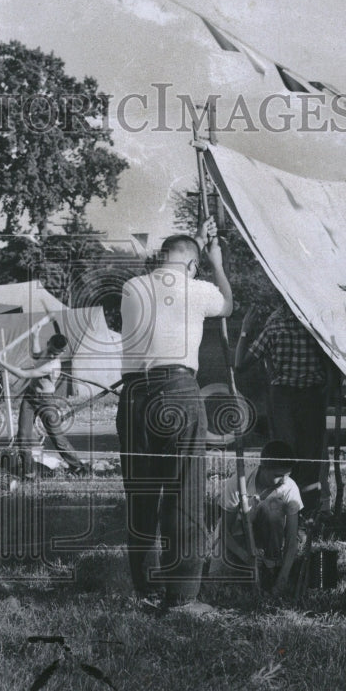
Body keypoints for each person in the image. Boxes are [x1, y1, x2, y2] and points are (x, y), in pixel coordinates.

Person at [117, 217, 233, 615]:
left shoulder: (132, 287)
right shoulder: (199, 288)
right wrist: (215, 261)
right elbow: (227, 305)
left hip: (133, 394)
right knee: (185, 493)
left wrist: (195, 248)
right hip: (177, 389)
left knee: (142, 495)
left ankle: (145, 591)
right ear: (194, 265)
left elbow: (169, 272)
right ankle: (182, 596)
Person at [235, 296, 334, 513]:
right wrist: (327, 384)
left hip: (283, 399)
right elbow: (329, 359)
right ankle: (310, 511)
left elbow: (240, 364)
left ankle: (287, 508)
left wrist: (244, 330)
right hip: (311, 398)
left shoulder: (274, 326)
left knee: (285, 454)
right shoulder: (313, 323)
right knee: (311, 455)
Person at [0, 331, 89, 477]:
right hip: (30, 397)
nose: (51, 355)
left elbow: (23, 374)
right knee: (23, 436)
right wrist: (36, 335)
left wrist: (1, 361)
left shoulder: (53, 364)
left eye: (56, 354)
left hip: (46, 400)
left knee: (57, 437)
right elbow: (35, 355)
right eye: (51, 351)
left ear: (62, 352)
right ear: (48, 345)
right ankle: (29, 472)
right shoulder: (47, 351)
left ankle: (78, 468)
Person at [214, 440, 301, 595]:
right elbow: (224, 532)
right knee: (220, 578)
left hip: (270, 540)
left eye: (288, 474)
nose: (284, 480)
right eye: (278, 475)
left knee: (272, 508)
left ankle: (272, 565)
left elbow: (291, 539)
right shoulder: (239, 482)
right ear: (263, 466)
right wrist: (246, 556)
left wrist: (282, 579)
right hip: (239, 540)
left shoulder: (289, 487)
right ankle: (254, 570)